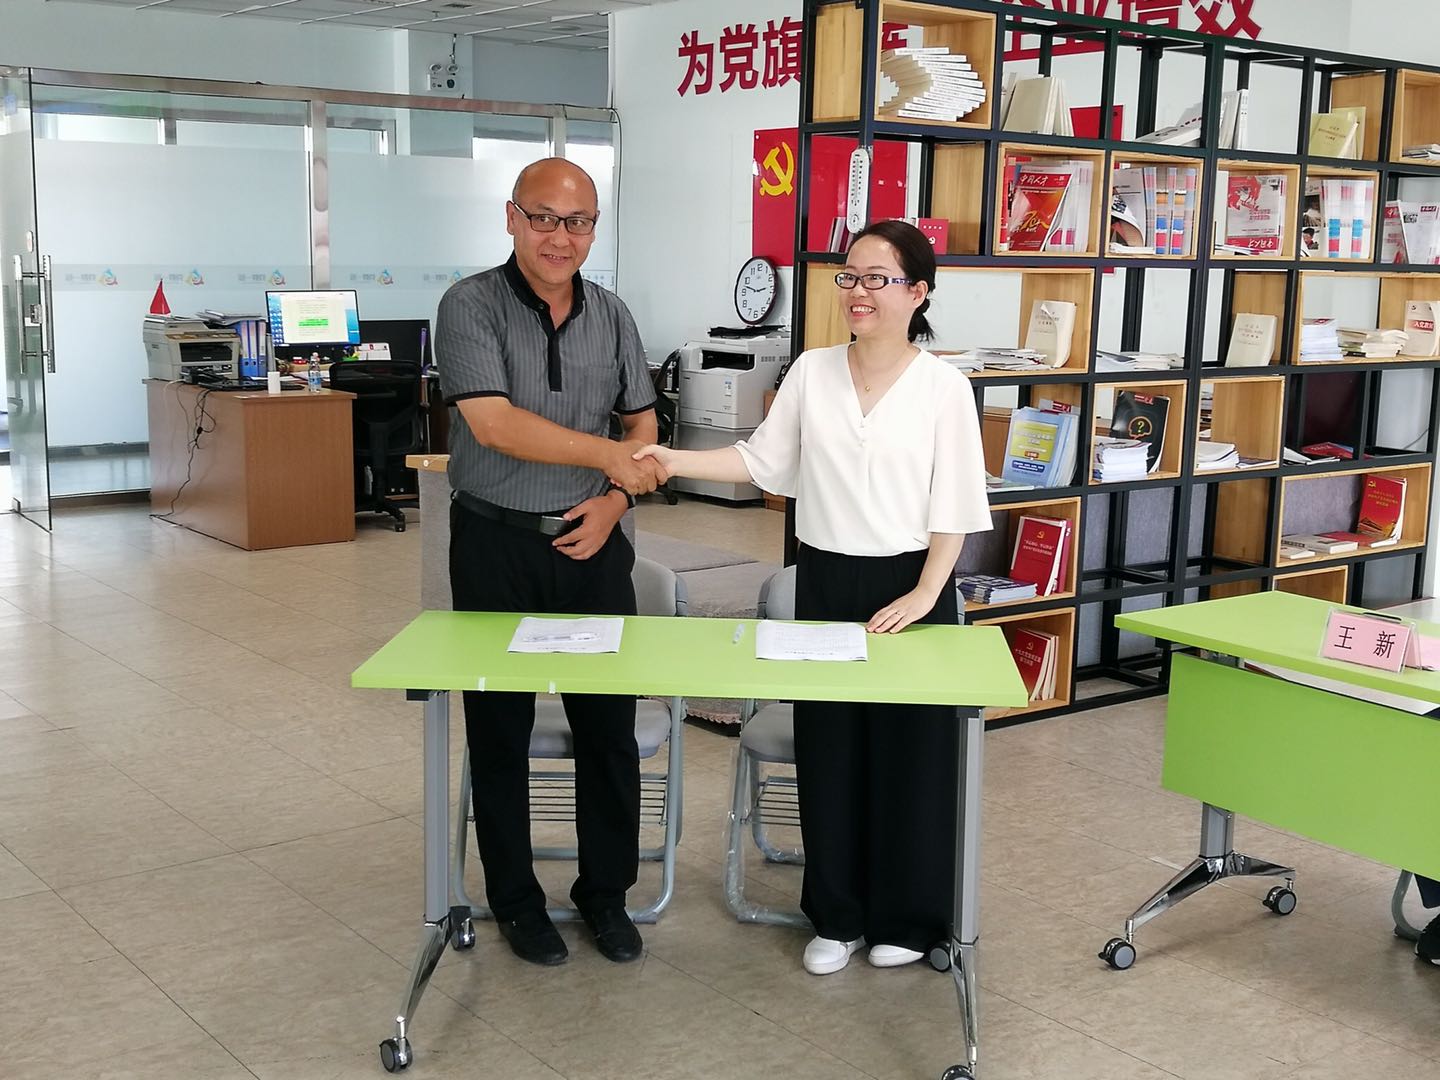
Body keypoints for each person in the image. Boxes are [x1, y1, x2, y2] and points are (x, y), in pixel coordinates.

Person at [635, 219, 991, 974]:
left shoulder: (945, 388)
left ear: (918, 292)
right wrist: (671, 459)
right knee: (830, 751)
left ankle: (908, 917)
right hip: (825, 581)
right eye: (849, 276)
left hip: (912, 589)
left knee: (909, 759)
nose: (858, 292)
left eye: (877, 279)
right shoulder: (811, 371)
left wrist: (928, 591)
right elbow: (759, 461)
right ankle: (837, 914)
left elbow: (956, 504)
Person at [435, 157, 666, 967]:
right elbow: (493, 424)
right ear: (511, 217)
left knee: (608, 730)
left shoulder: (613, 315)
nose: (560, 237)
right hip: (495, 542)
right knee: (498, 730)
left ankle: (606, 895)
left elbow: (644, 427)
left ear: (594, 228)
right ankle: (516, 901)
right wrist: (609, 456)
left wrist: (616, 502)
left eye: (578, 222)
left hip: (593, 542)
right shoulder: (470, 305)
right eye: (543, 218)